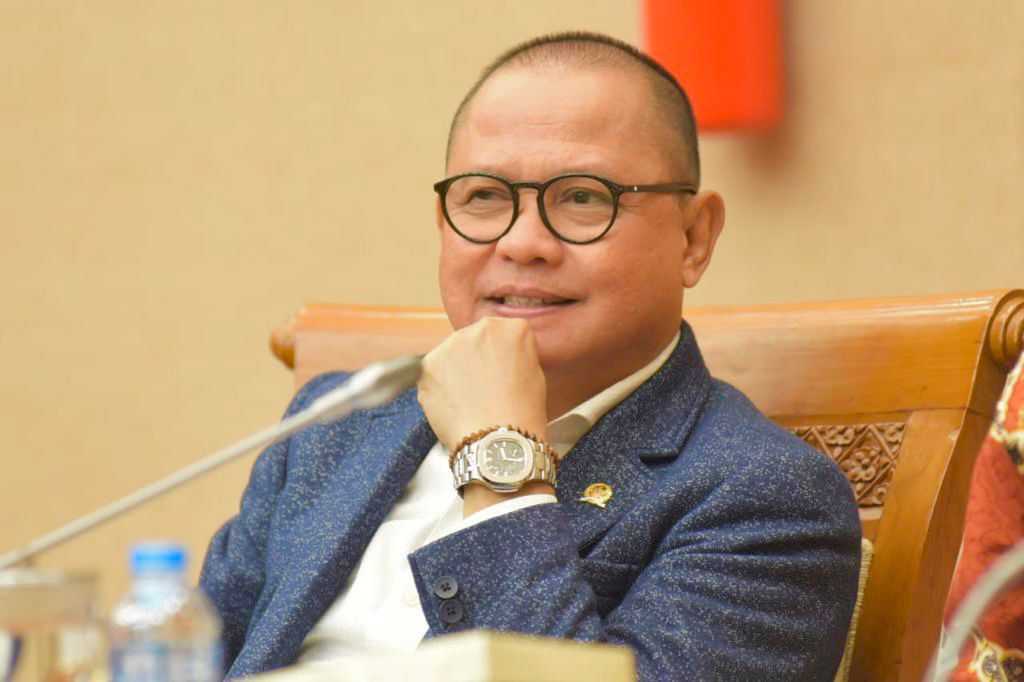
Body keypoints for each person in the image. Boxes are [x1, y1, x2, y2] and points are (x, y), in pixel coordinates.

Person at [200, 31, 861, 680]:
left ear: (694, 238)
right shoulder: (336, 423)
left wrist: (499, 460)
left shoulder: (767, 499)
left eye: (582, 198)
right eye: (485, 197)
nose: (521, 244)